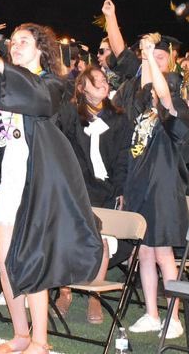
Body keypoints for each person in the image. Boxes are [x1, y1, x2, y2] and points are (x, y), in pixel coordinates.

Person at [0, 25, 103, 354]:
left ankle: (40, 341)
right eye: (13, 42)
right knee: (7, 260)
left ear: (41, 49)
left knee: (32, 257)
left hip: (41, 177)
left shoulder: (53, 82)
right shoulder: (3, 81)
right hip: (11, 174)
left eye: (24, 41)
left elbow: (36, 97)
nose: (16, 46)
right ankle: (21, 335)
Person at [124, 34, 189, 339]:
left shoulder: (176, 111)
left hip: (164, 190)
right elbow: (146, 89)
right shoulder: (145, 112)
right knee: (145, 253)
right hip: (141, 187)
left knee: (164, 254)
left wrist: (152, 57)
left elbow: (164, 95)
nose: (151, 91)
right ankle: (152, 313)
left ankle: (174, 317)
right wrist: (144, 56)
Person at [61, 64, 132, 323]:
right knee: (69, 237)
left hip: (106, 188)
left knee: (102, 239)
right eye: (96, 81)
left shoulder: (119, 118)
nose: (103, 84)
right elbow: (61, 148)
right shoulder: (69, 114)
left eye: (105, 80)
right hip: (76, 187)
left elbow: (124, 156)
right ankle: (65, 291)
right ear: (82, 87)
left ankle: (95, 297)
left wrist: (121, 188)